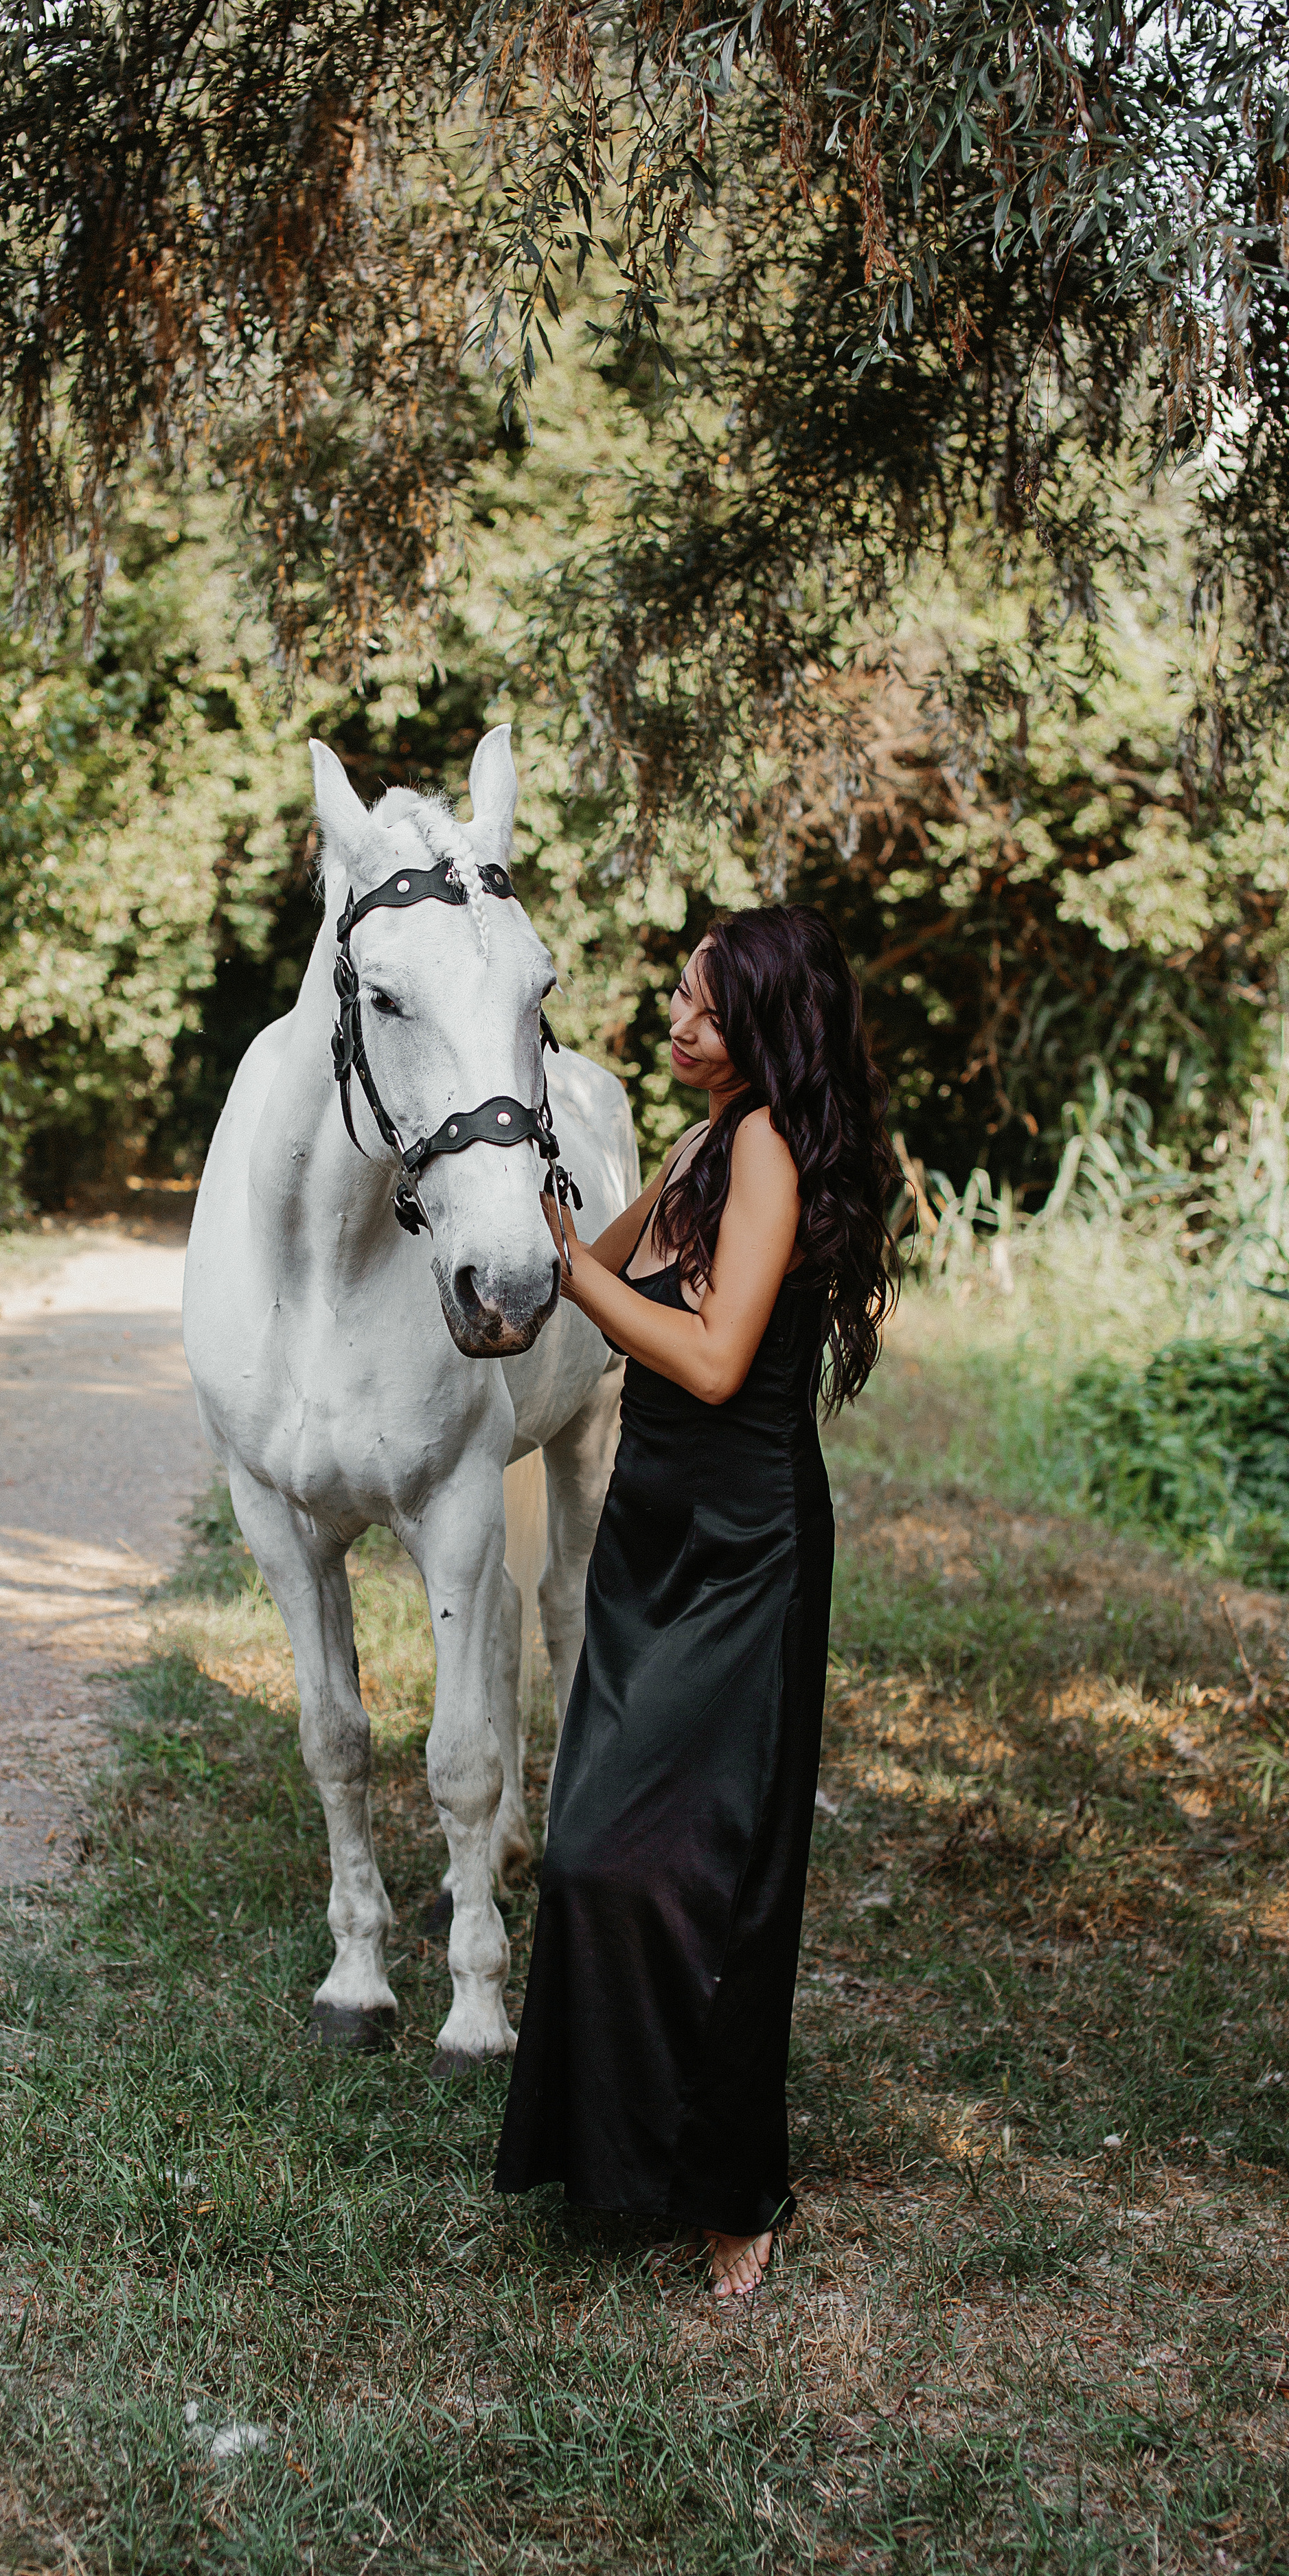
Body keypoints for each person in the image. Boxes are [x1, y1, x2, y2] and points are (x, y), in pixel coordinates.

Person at [494, 904, 898, 2296]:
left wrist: (573, 1276)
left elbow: (714, 1359)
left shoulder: (770, 1146)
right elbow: (595, 1275)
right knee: (589, 1850)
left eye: (708, 1009)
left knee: (711, 1871)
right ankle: (617, 2149)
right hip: (650, 1533)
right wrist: (520, 1202)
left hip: (742, 1544)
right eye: (678, 993)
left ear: (768, 1029)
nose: (677, 1020)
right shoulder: (698, 1147)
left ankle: (735, 2192)